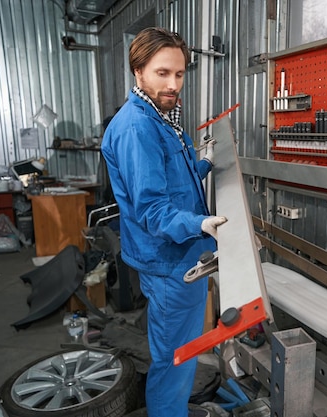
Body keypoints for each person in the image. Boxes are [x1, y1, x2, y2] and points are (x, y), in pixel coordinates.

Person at [101, 27, 227, 417]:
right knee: (175, 359)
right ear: (138, 71)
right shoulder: (138, 127)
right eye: (162, 73)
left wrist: (205, 163)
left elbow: (170, 178)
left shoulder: (160, 116)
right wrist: (201, 224)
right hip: (172, 261)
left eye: (179, 73)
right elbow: (153, 210)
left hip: (180, 254)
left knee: (179, 354)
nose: (173, 84)